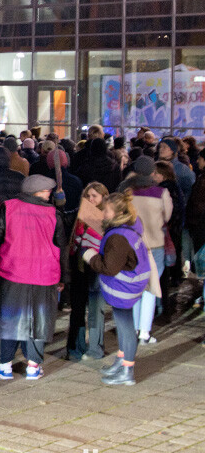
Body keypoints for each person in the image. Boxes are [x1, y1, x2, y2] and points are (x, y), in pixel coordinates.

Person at [0, 175, 67, 381]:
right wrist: (64, 277)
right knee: (39, 320)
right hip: (45, 274)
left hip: (11, 271)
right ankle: (33, 366)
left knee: (10, 318)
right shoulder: (53, 214)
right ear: (37, 192)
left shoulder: (9, 208)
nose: (50, 194)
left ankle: (5, 365)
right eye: (47, 191)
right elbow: (62, 246)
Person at [83, 192, 159, 386]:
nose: (103, 214)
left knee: (125, 329)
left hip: (123, 287)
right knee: (124, 326)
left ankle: (127, 371)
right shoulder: (132, 225)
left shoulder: (118, 237)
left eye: (106, 210)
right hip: (132, 285)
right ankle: (121, 361)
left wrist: (90, 255)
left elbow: (109, 267)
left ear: (117, 213)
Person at [119, 155, 169, 344]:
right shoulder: (161, 192)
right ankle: (144, 332)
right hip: (154, 244)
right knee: (150, 288)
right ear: (152, 172)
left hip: (130, 243)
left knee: (134, 286)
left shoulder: (125, 189)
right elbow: (168, 216)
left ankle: (131, 329)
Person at [67, 182, 110, 360]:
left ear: (103, 198)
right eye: (88, 196)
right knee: (78, 309)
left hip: (97, 268)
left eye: (95, 196)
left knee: (96, 310)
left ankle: (95, 348)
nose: (91, 199)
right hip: (80, 268)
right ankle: (75, 347)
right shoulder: (79, 216)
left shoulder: (108, 218)